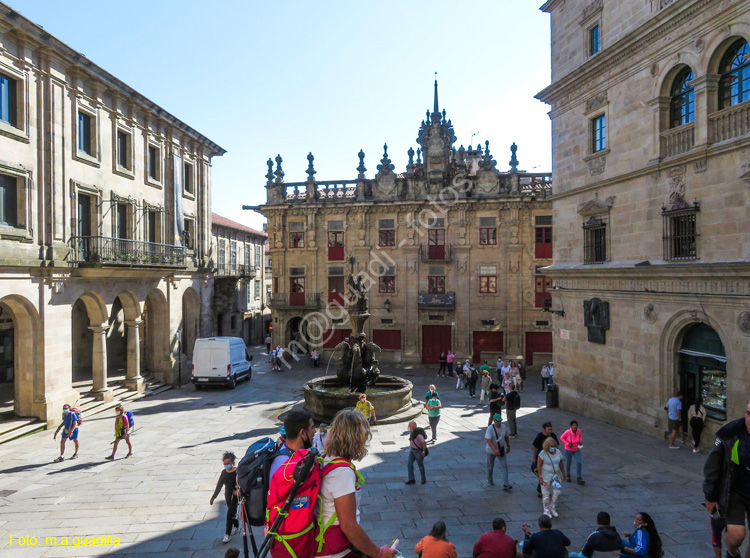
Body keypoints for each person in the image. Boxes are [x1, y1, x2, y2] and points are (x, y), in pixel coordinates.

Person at [316, 409, 397, 558]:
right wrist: (378, 553)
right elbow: (348, 526)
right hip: (336, 550)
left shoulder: (326, 457)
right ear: (356, 439)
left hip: (325, 544)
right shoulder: (342, 473)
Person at [704, 400, 750, 558]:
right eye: (748, 413)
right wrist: (710, 496)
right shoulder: (729, 433)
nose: (749, 418)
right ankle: (732, 552)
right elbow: (712, 466)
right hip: (735, 491)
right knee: (737, 536)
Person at [269, 410, 315, 479]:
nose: (315, 431)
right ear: (303, 433)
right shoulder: (284, 464)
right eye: (312, 427)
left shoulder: (291, 453)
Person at [210, 452, 239, 543]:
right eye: (225, 464)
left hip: (235, 497)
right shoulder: (224, 473)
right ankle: (236, 526)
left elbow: (242, 483)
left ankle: (227, 535)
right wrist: (213, 497)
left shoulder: (237, 471)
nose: (226, 465)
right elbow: (219, 486)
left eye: (228, 464)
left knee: (229, 514)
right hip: (227, 496)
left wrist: (239, 490)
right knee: (232, 513)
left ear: (232, 462)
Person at [537, 437, 566, 518]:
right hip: (545, 476)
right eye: (550, 447)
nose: (552, 448)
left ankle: (552, 507)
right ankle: (546, 510)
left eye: (553, 447)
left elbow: (561, 463)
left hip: (556, 476)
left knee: (557, 492)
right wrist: (540, 477)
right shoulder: (543, 454)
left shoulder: (558, 452)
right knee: (546, 494)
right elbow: (539, 465)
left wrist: (563, 473)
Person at [485, 414, 512, 491]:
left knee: (504, 466)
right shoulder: (490, 429)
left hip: (501, 449)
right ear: (494, 421)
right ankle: (489, 479)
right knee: (490, 466)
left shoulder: (503, 427)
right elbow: (488, 441)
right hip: (491, 450)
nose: (499, 423)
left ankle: (506, 483)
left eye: (500, 421)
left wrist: (508, 446)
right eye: (497, 421)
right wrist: (494, 450)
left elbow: (506, 436)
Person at [533, 422, 559, 498]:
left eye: (551, 429)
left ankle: (543, 489)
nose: (550, 431)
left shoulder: (553, 436)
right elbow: (535, 447)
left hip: (550, 457)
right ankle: (541, 490)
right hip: (541, 457)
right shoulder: (540, 436)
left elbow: (556, 446)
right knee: (542, 474)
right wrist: (534, 458)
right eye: (548, 429)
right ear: (544, 429)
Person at [560, 420, 585, 485]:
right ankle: (568, 475)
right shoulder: (568, 432)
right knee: (568, 462)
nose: (575, 426)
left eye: (576, 425)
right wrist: (567, 443)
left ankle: (579, 477)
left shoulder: (579, 431)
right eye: (574, 425)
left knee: (579, 462)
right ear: (571, 426)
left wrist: (580, 441)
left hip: (576, 449)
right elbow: (562, 438)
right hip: (568, 449)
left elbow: (581, 436)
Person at [406, 420, 428, 485]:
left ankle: (423, 479)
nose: (408, 427)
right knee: (409, 464)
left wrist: (423, 452)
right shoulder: (412, 432)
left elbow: (424, 443)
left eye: (409, 425)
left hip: (418, 451)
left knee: (420, 465)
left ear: (413, 426)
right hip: (412, 451)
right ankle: (411, 479)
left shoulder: (418, 435)